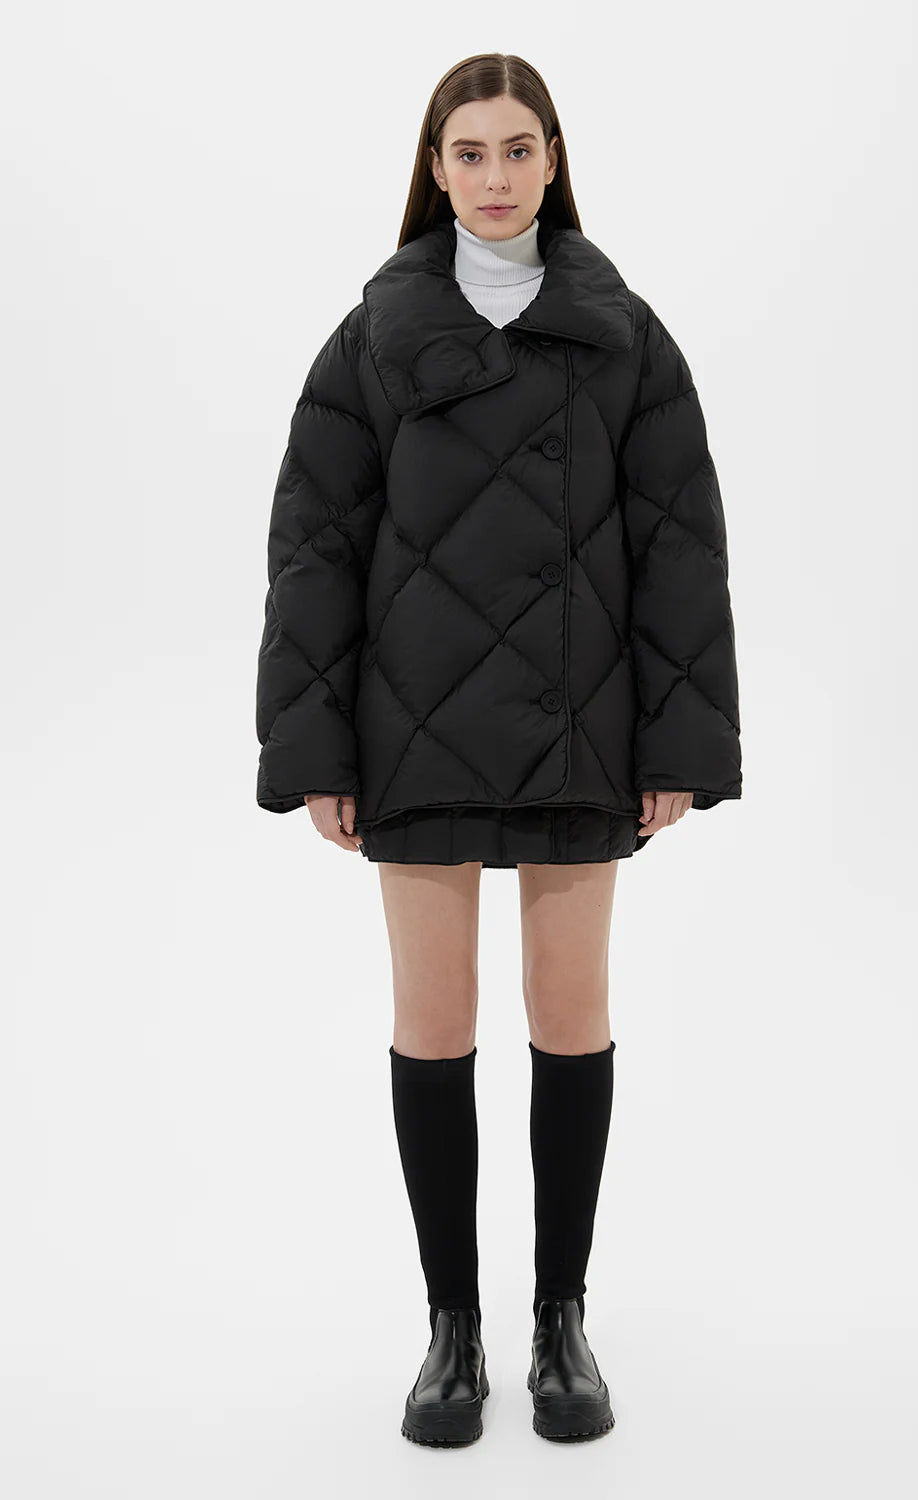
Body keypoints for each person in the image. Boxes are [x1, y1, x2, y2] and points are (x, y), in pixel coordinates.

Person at [255, 52, 742, 1446]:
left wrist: (679, 741)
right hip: (412, 729)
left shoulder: (625, 333)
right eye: (467, 152)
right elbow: (315, 550)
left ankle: (560, 1321)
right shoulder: (371, 337)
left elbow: (680, 546)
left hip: (584, 725)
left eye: (518, 149)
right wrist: (317, 750)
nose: (494, 176)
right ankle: (452, 1329)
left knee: (569, 1017)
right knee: (435, 1025)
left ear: (554, 159)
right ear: (434, 167)